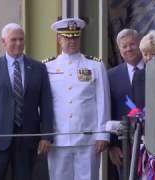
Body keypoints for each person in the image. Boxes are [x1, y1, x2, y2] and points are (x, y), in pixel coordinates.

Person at [0, 23, 53, 180]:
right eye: (13, 40)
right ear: (3, 42)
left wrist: (46, 136)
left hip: (27, 139)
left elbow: (46, 105)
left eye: (21, 39)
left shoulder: (39, 68)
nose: (18, 43)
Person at [44, 18, 110, 180]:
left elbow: (103, 101)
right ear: (59, 39)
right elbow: (44, 103)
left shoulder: (95, 65)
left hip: (88, 139)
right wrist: (44, 135)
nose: (72, 41)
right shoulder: (47, 66)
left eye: (75, 37)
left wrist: (103, 134)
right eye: (67, 37)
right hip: (58, 137)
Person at [107, 28, 144, 179]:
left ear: (140, 44)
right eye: (124, 46)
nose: (129, 48)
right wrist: (111, 146)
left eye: (132, 44)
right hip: (125, 147)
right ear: (119, 50)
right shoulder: (111, 75)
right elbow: (109, 110)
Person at [132, 30, 155, 109]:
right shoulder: (137, 76)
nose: (148, 58)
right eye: (145, 54)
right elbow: (137, 106)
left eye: (152, 53)